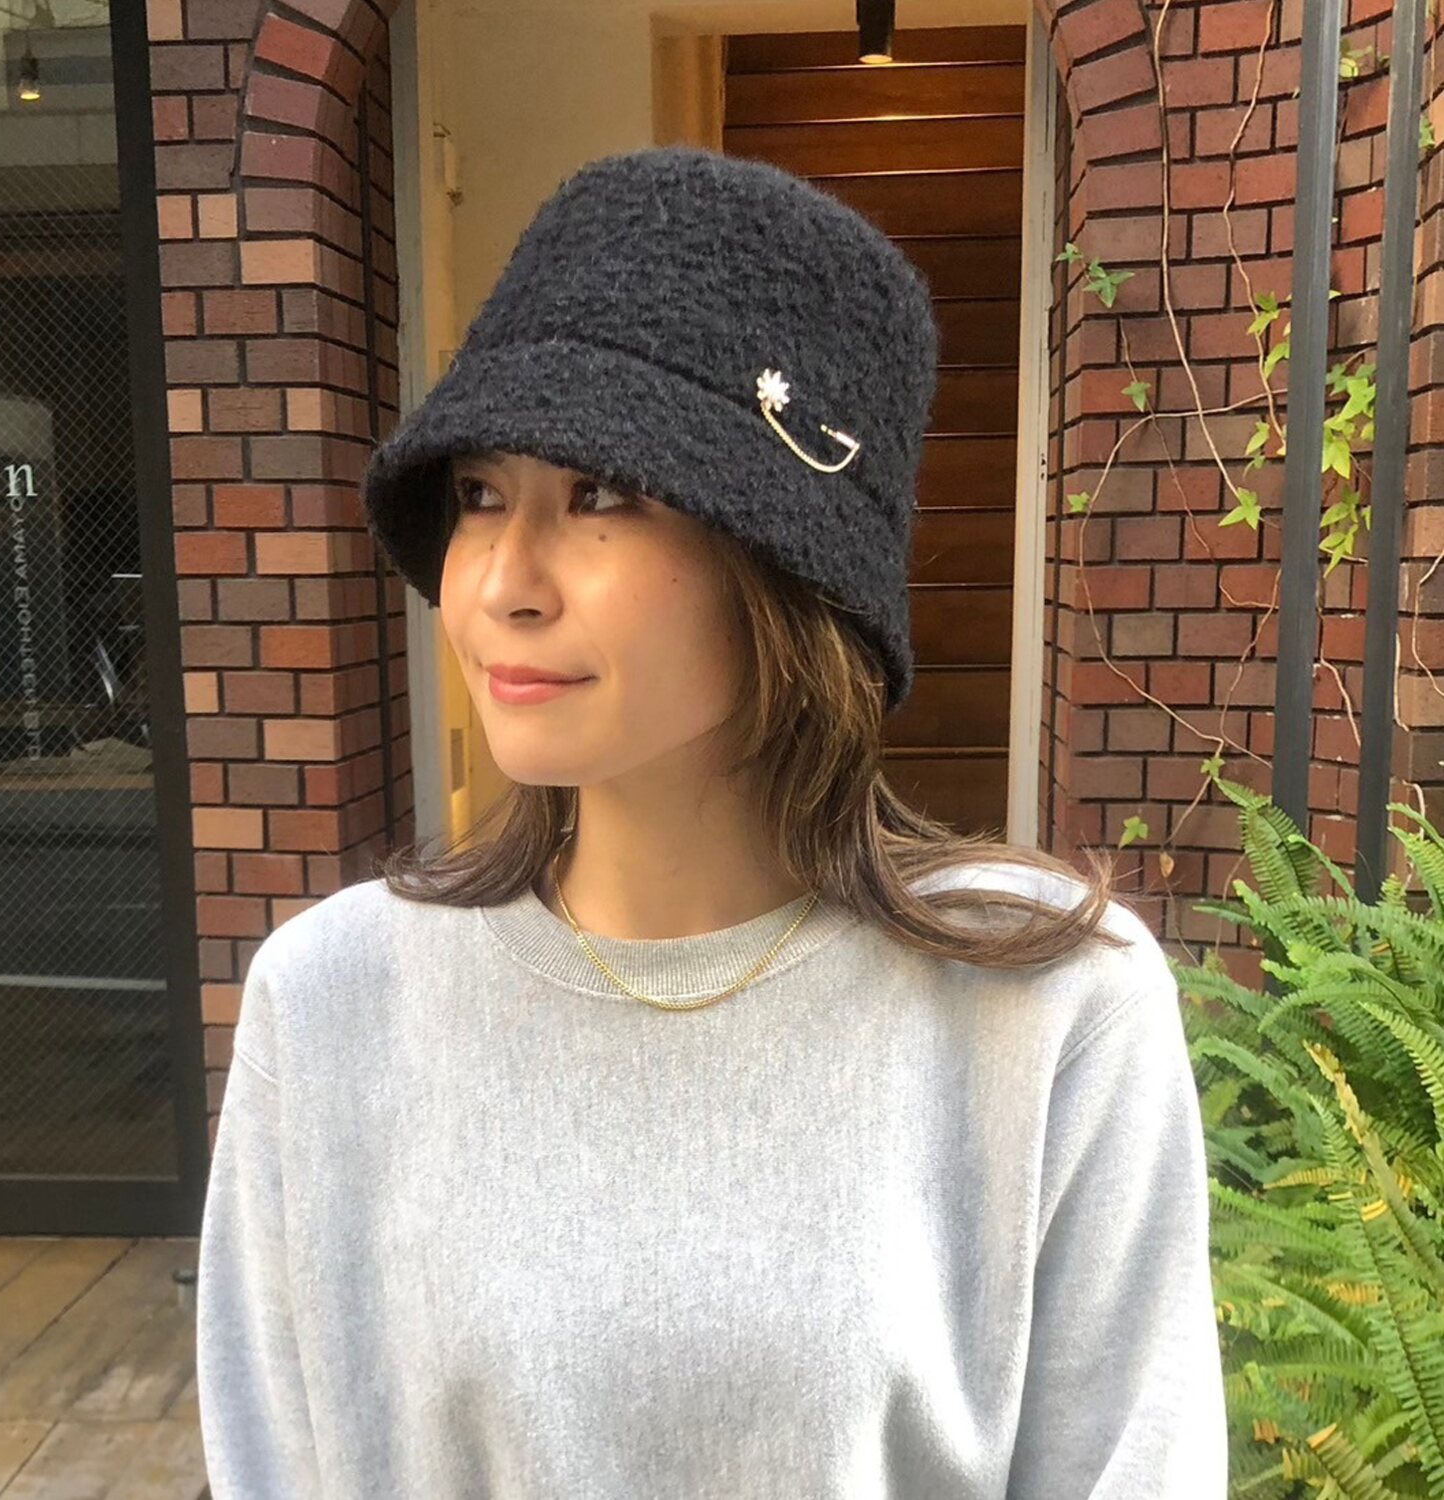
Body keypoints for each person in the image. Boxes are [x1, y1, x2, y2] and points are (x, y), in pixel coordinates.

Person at [195, 144, 1227, 1498]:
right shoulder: (334, 1002)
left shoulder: (1048, 1015)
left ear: (787, 565)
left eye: (602, 496)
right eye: (482, 494)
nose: (501, 582)